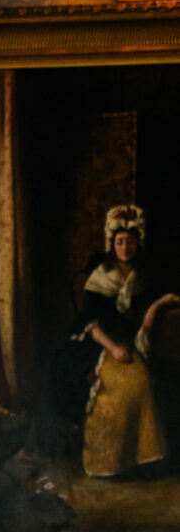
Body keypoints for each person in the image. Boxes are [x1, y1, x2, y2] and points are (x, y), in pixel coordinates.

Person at [75, 204, 177, 480]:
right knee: (115, 392)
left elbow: (170, 294)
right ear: (112, 243)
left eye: (130, 241)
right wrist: (114, 349)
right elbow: (90, 324)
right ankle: (105, 464)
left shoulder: (144, 276)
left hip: (133, 346)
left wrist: (154, 308)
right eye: (120, 242)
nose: (125, 247)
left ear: (137, 242)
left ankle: (140, 462)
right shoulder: (100, 276)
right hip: (102, 346)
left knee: (141, 385)